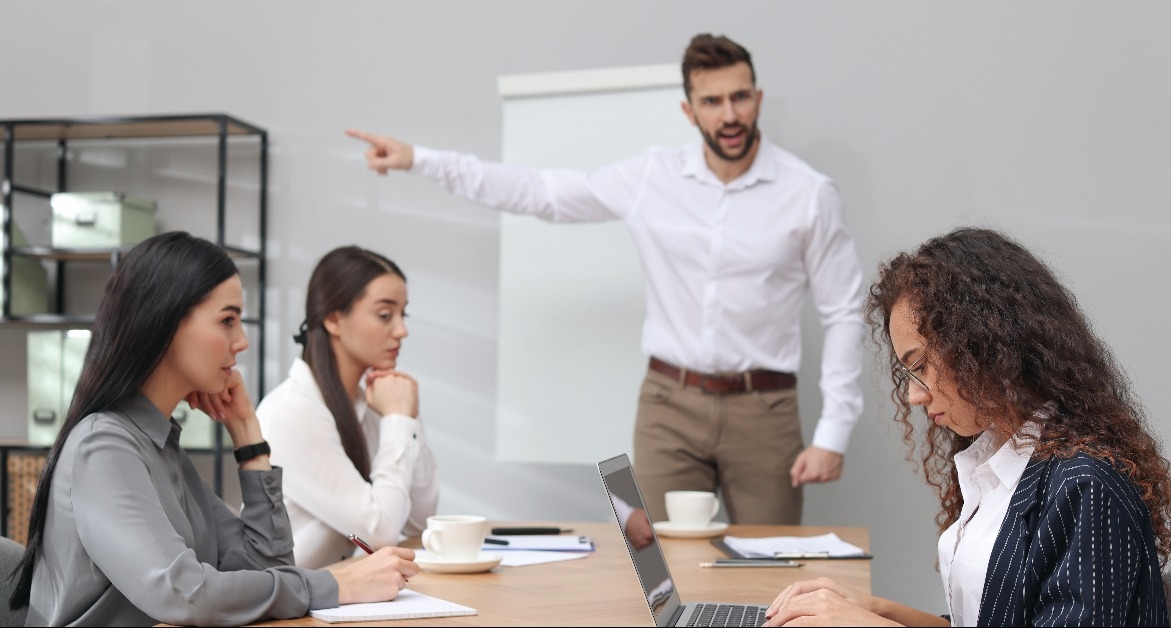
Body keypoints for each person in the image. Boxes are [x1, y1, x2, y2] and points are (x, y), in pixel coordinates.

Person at [345, 33, 865, 525]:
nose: (728, 115)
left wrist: (833, 433)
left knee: (770, 573)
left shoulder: (808, 192)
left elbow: (842, 310)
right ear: (688, 110)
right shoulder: (652, 178)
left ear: (758, 98)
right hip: (668, 408)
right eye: (711, 102)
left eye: (739, 97)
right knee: (662, 570)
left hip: (765, 410)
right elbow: (541, 191)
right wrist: (422, 160)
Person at [764, 227, 1171, 626]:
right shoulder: (997, 461)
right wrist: (874, 609)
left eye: (921, 366)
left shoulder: (1086, 485)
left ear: (980, 344)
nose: (914, 396)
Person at [8, 232, 420, 626]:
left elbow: (266, 567)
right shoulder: (103, 446)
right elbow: (183, 593)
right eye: (227, 320)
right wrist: (335, 584)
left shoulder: (162, 446)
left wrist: (248, 440)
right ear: (165, 322)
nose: (241, 341)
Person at [257, 245, 438, 569]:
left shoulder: (368, 403)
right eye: (385, 315)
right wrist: (398, 420)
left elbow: (419, 524)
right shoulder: (294, 413)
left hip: (333, 602)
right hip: (287, 613)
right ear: (334, 319)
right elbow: (379, 533)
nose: (402, 330)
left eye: (403, 314)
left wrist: (407, 417)